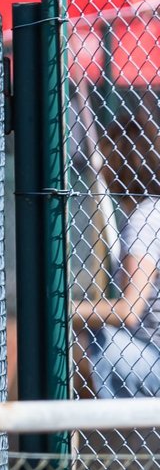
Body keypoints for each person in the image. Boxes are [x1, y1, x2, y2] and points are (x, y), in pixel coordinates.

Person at [74, 112, 160, 398]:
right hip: (148, 355)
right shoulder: (151, 212)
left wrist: (62, 310)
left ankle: (38, 437)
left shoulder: (144, 220)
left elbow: (128, 311)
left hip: (152, 359)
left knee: (85, 343)